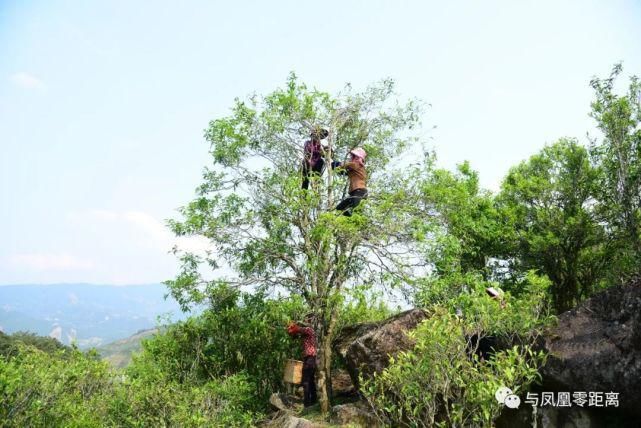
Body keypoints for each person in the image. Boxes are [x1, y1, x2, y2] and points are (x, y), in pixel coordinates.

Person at [286, 317, 318, 407]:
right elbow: (295, 334)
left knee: (305, 381)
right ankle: (313, 401)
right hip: (311, 358)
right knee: (311, 380)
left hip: (310, 358)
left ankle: (307, 404)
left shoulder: (308, 329)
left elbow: (296, 329)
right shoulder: (306, 333)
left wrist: (291, 325)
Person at [332, 148, 368, 216]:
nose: (351, 157)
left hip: (359, 191)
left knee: (353, 208)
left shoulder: (355, 165)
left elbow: (343, 165)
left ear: (357, 157)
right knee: (340, 207)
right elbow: (345, 172)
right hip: (357, 192)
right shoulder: (358, 169)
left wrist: (335, 164)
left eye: (353, 156)